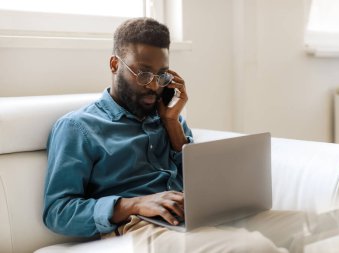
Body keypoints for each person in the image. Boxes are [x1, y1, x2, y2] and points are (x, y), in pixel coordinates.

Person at [43, 18, 302, 253]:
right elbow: (57, 212)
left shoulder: (169, 118)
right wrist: (134, 204)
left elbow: (200, 185)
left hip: (195, 218)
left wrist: (172, 124)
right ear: (114, 65)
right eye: (143, 73)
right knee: (253, 247)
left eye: (162, 75)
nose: (155, 85)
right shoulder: (78, 127)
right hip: (141, 227)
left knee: (306, 226)